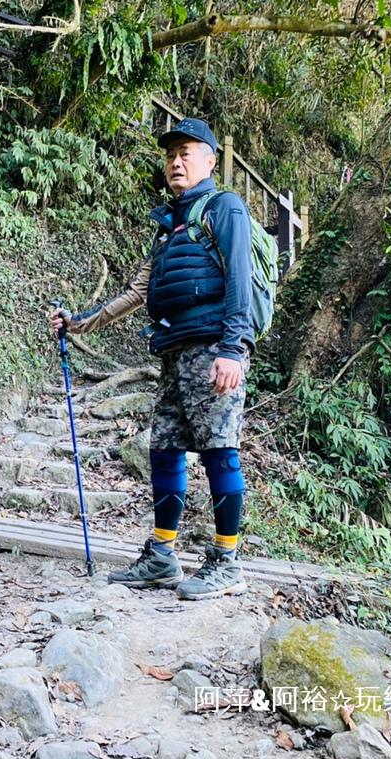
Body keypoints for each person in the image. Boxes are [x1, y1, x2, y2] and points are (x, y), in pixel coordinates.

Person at [50, 118, 254, 600]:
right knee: (164, 451)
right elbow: (138, 292)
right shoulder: (168, 227)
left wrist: (233, 350)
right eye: (170, 155)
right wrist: (79, 322)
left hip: (212, 351)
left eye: (186, 152)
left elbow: (241, 280)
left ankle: (228, 562)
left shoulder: (224, 208)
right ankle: (163, 557)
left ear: (210, 160)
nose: (176, 162)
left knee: (220, 450)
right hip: (173, 353)